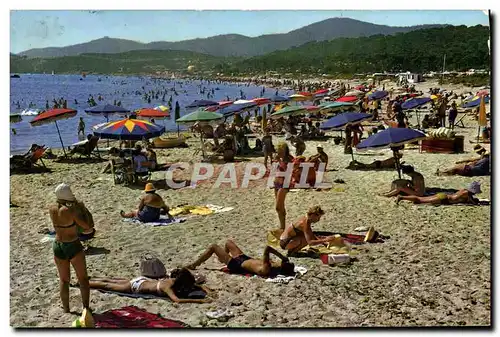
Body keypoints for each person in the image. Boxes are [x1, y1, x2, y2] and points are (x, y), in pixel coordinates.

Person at [49, 183, 93, 313]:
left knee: (64, 279)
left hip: (58, 245)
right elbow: (86, 227)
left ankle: (66, 309)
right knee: (83, 279)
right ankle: (86, 307)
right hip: (72, 244)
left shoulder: (52, 208)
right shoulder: (70, 211)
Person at [88, 268, 213, 304]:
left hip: (142, 280)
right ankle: (85, 283)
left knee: (111, 280)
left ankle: (90, 278)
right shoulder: (167, 287)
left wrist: (206, 289)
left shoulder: (173, 279)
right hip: (136, 287)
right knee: (107, 286)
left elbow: (196, 285)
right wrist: (200, 300)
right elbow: (177, 300)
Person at [185, 240, 295, 277]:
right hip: (244, 258)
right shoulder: (276, 266)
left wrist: (282, 256)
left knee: (213, 247)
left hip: (237, 265)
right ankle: (223, 258)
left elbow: (267, 248)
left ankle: (194, 265)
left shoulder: (266, 268)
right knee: (228, 242)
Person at [397, 182, 483, 206]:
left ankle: (403, 197)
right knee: (420, 200)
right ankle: (402, 197)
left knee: (420, 199)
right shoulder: (467, 193)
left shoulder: (463, 190)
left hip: (444, 196)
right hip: (444, 199)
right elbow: (473, 202)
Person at [273, 142, 294, 229]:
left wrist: (279, 161)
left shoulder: (289, 159)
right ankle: (282, 226)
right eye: (279, 150)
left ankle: (282, 227)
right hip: (277, 183)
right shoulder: (280, 158)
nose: (279, 152)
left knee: (278, 207)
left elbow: (288, 171)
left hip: (284, 184)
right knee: (280, 207)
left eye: (281, 150)